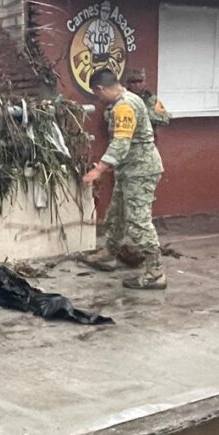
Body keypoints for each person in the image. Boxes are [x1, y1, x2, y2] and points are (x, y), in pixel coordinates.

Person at [82, 68, 166, 289]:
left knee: (138, 221)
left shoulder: (124, 106)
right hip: (129, 170)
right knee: (117, 213)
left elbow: (121, 142)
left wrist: (99, 169)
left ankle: (155, 272)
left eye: (96, 94)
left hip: (140, 170)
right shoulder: (128, 100)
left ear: (101, 88)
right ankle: (109, 253)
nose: (98, 99)